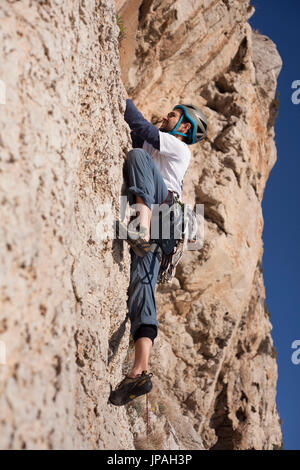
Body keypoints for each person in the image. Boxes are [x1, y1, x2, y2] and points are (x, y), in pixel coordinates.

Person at [109, 91, 207, 406]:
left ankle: (139, 227)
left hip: (164, 214)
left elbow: (140, 124)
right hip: (160, 230)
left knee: (136, 158)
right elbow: (138, 132)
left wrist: (119, 94)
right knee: (141, 287)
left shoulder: (178, 148)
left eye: (174, 115)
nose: (166, 116)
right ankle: (139, 370)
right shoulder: (154, 145)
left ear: (184, 129)